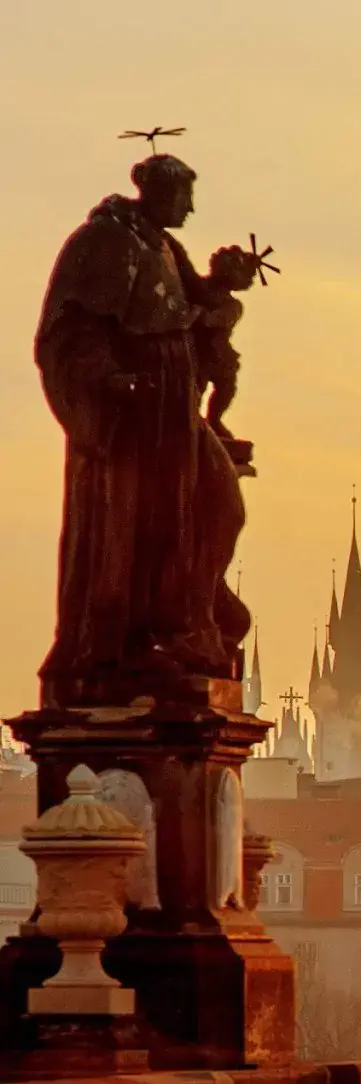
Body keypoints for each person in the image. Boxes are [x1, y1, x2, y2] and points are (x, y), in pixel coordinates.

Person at [35, 151, 259, 700]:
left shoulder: (161, 245)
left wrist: (228, 281)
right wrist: (113, 381)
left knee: (217, 508)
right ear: (159, 191)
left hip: (175, 412)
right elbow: (72, 332)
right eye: (186, 195)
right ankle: (131, 645)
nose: (192, 207)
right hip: (133, 421)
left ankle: (187, 623)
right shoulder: (105, 243)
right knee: (138, 527)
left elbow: (198, 303)